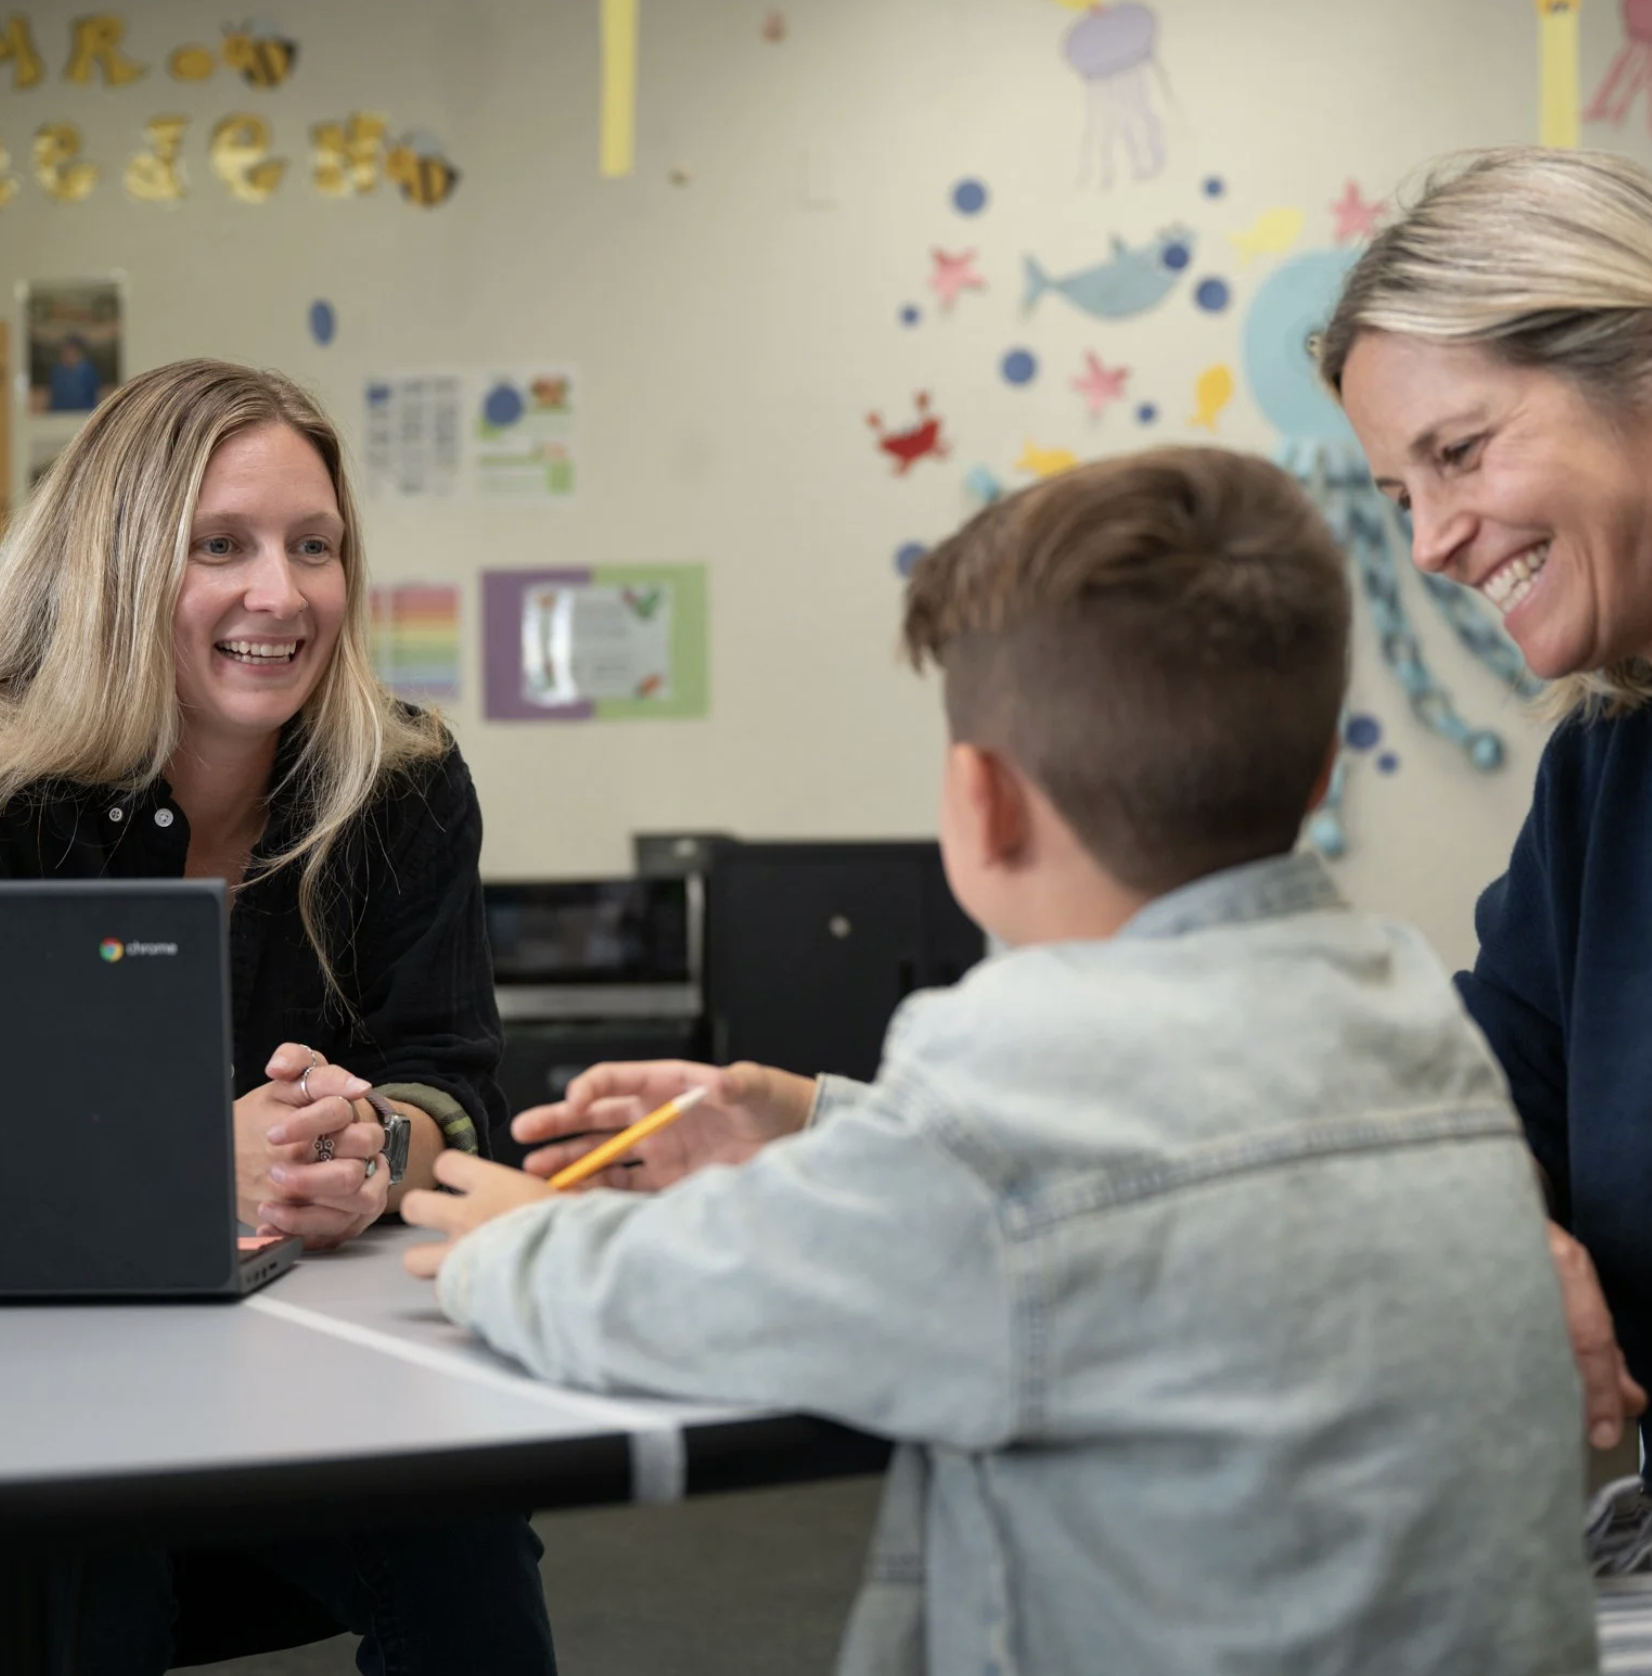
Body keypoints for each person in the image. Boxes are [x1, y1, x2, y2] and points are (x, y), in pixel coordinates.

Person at [401, 449, 1597, 1674]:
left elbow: (689, 1294)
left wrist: (513, 1237)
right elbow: (1146, 1180)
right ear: (1318, 771)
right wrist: (819, 1119)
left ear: (981, 800)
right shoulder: (1402, 1001)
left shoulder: (1012, 1076)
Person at [0, 358, 556, 1673]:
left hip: (294, 1370)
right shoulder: (19, 795)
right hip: (47, 1397)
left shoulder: (400, 781)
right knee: (93, 1560)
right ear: (127, 562)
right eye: (222, 546)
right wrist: (190, 1165)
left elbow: (449, 1079)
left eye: (317, 547)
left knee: (466, 1532)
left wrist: (369, 1144)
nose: (283, 592)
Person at [1318, 145, 1652, 1471]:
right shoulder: (1602, 773)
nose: (1432, 543)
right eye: (1403, 496)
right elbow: (1477, 1089)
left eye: (1458, 454)